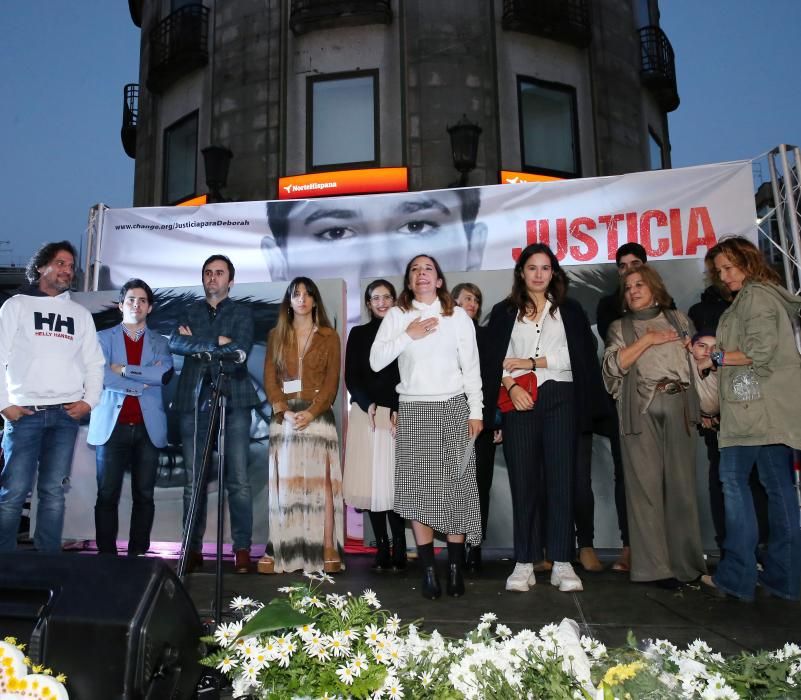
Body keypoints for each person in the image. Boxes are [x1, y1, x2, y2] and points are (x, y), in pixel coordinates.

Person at [483, 243, 606, 594]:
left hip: (561, 398)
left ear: (554, 273)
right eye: (532, 268)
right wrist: (510, 385)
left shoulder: (570, 310)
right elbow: (498, 358)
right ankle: (524, 562)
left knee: (560, 481)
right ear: (521, 272)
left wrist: (533, 363)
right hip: (519, 400)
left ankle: (563, 563)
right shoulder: (505, 312)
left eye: (545, 268)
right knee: (523, 482)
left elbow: (576, 356)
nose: (538, 274)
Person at [370, 255, 482, 600]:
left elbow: (472, 369)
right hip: (414, 410)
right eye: (415, 270)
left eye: (428, 269)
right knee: (419, 495)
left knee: (457, 492)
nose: (421, 274)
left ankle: (454, 570)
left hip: (453, 408)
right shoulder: (397, 316)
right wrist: (408, 334)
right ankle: (430, 573)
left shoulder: (458, 316)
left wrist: (476, 413)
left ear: (438, 281)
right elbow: (376, 361)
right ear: (409, 281)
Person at [699, 236, 801, 601]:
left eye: (729, 267)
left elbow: (759, 351)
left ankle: (738, 577)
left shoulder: (756, 297)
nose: (724, 276)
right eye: (719, 271)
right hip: (768, 411)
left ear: (748, 261)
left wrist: (717, 358)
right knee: (779, 491)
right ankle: (785, 579)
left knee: (733, 483)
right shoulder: (765, 295)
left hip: (751, 410)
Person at [602, 264, 706, 588]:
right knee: (644, 490)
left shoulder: (680, 320)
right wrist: (648, 340)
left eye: (639, 285)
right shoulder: (620, 326)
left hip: (679, 406)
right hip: (640, 410)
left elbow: (695, 362)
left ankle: (688, 566)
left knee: (682, 489)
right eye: (628, 287)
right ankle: (654, 569)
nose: (633, 290)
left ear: (654, 288)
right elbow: (612, 367)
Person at [0, 241, 105, 552]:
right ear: (41, 267)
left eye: (71, 266)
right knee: (13, 493)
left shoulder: (80, 314)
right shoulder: (16, 305)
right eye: (60, 263)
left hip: (64, 417)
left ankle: (48, 565)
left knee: (53, 494)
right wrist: (5, 404)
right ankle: (6, 568)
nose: (67, 270)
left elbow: (94, 363)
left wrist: (90, 401)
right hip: (24, 414)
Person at [263, 189, 487, 326]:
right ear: (279, 266)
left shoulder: (461, 328)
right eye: (336, 232)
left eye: (416, 227)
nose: (380, 272)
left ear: (474, 248)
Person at [168, 254, 258, 574]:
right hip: (193, 401)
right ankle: (191, 549)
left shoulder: (242, 313)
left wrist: (198, 343)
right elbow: (176, 344)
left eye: (219, 273)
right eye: (208, 272)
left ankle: (243, 549)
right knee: (194, 482)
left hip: (235, 400)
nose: (212, 278)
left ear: (230, 281)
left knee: (238, 480)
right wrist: (215, 342)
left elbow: (240, 351)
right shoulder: (188, 309)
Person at [261, 277, 345, 574]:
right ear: (289, 300)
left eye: (308, 294)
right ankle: (280, 545)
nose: (302, 299)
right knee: (285, 486)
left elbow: (332, 382)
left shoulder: (329, 336)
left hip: (317, 414)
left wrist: (312, 412)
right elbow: (270, 379)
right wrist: (283, 411)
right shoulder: (276, 335)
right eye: (296, 294)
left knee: (322, 483)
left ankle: (327, 545)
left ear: (315, 300)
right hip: (284, 418)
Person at [88, 279, 173, 557]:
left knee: (144, 496)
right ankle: (106, 557)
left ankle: (138, 557)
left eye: (143, 300)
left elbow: (161, 376)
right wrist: (140, 380)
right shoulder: (102, 338)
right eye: (131, 299)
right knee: (107, 495)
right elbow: (103, 377)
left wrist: (123, 368)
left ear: (150, 308)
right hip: (113, 429)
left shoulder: (161, 342)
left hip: (149, 429)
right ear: (121, 305)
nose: (136, 304)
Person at [342, 280, 405, 571]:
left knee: (395, 485)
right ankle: (381, 546)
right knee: (371, 485)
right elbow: (352, 376)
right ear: (368, 303)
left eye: (386, 297)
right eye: (375, 298)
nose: (381, 302)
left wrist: (397, 408)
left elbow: (409, 373)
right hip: (366, 414)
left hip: (397, 414)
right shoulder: (359, 333)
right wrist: (367, 405)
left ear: (395, 300)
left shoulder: (404, 332)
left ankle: (401, 546)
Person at [593, 243, 648, 572]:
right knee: (625, 473)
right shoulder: (608, 307)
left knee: (661, 474)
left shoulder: (666, 306)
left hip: (660, 398)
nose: (628, 269)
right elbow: (620, 347)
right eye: (623, 266)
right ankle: (629, 546)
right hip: (621, 400)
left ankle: (663, 545)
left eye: (635, 263)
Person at [453, 281, 498, 573]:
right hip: (445, 421)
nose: (473, 304)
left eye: (477, 300)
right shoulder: (439, 335)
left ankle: (475, 545)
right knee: (450, 486)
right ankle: (455, 548)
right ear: (453, 301)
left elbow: (494, 382)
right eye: (467, 299)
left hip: (480, 424)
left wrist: (496, 420)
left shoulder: (487, 337)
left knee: (480, 485)